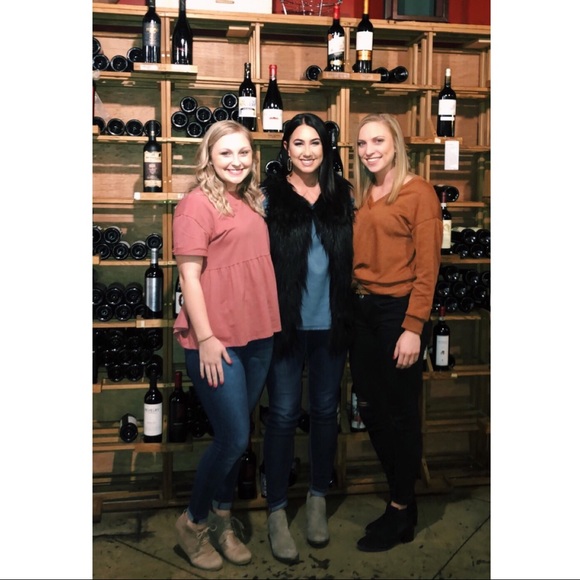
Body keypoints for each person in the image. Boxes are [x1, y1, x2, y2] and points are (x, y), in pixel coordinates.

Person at [172, 120, 281, 571]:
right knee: (233, 436)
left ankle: (222, 518)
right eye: (226, 153)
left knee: (239, 437)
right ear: (209, 158)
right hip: (217, 341)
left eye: (243, 152)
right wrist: (206, 338)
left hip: (257, 333)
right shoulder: (195, 205)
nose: (236, 161)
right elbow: (189, 278)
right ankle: (193, 522)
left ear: (253, 156)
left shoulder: (251, 199)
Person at [261, 113, 355, 563]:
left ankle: (318, 497)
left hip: (330, 324)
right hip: (284, 326)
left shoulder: (342, 196)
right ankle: (276, 509)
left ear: (326, 147)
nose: (306, 151)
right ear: (286, 148)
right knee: (281, 414)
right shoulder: (269, 197)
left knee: (324, 411)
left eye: (314, 142)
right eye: (298, 143)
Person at [349, 113, 442, 553]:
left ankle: (402, 507)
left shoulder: (418, 192)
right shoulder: (364, 193)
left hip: (397, 313)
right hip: (362, 310)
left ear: (396, 144)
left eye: (378, 141)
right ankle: (400, 499)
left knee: (401, 413)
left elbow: (428, 267)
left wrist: (413, 327)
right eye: (362, 143)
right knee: (371, 409)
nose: (369, 150)